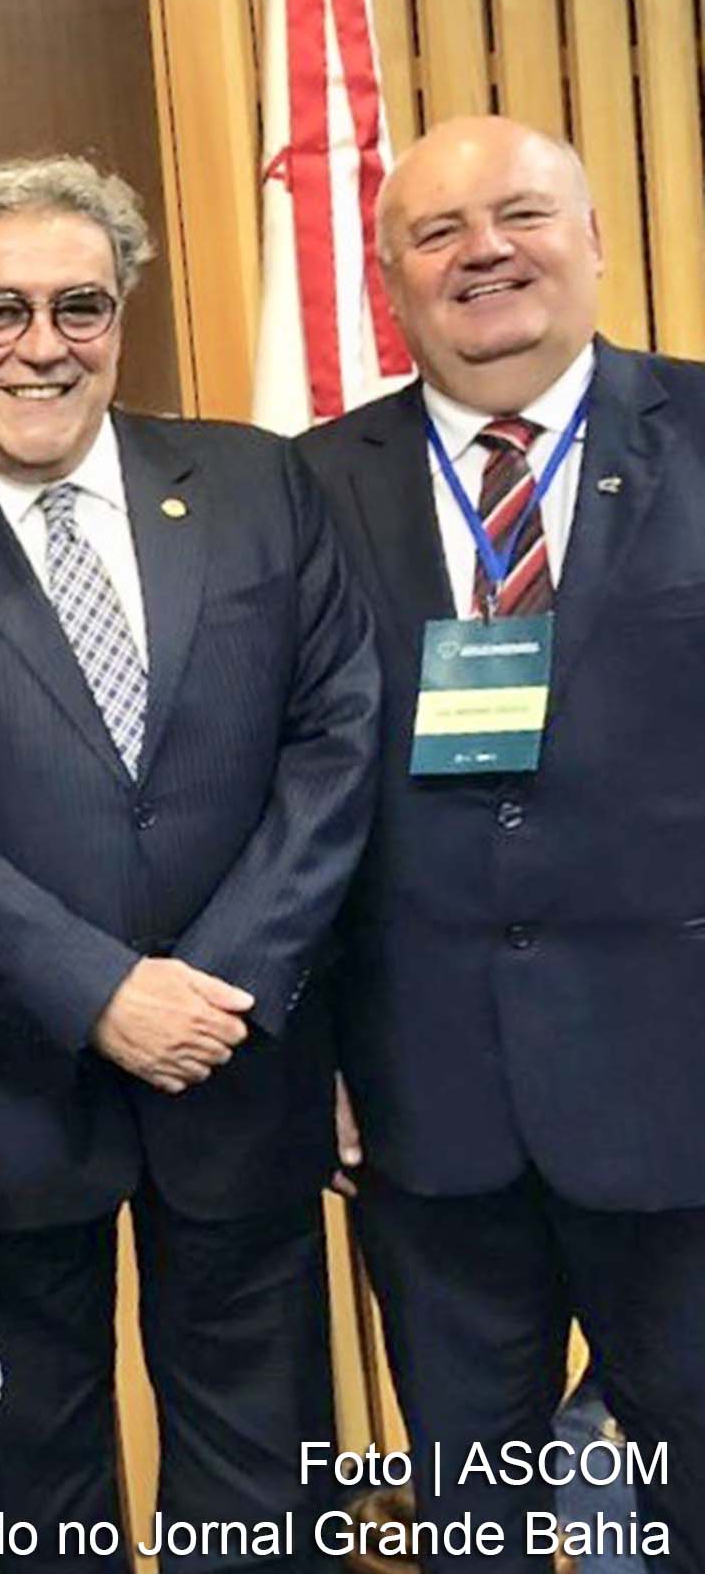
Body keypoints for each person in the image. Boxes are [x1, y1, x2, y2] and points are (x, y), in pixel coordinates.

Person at [0, 156, 379, 1570]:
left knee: (266, 1479)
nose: (41, 345)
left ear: (122, 316)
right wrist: (97, 989)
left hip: (237, 1061)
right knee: (32, 1484)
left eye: (79, 305)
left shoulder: (258, 482)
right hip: (14, 1086)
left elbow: (335, 739)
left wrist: (218, 981)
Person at [296, 115, 705, 1572]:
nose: (484, 253)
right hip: (425, 1102)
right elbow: (281, 799)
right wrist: (316, 1050)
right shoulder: (301, 491)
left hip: (684, 1088)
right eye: (436, 233)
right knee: (476, 1517)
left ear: (596, 241)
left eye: (522, 214)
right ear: (388, 287)